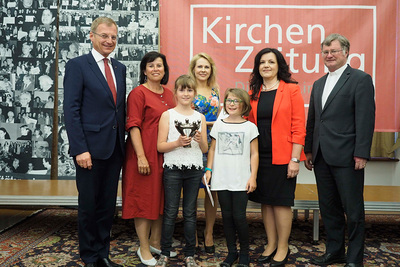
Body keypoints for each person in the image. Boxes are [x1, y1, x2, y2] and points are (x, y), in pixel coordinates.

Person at [305, 33, 375, 267]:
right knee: (329, 208)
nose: (329, 55)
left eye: (334, 51)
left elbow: (365, 119)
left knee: (353, 211)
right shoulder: (318, 84)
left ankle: (354, 259)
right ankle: (335, 252)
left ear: (346, 52)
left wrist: (362, 152)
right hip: (321, 155)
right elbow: (313, 120)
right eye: (325, 52)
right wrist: (308, 151)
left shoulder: (360, 79)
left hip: (348, 156)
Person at [63, 16, 126, 267]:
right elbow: (71, 109)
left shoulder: (119, 68)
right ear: (92, 36)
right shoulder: (78, 65)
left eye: (113, 37)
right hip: (88, 151)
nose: (109, 40)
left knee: (107, 206)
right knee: (89, 205)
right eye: (104, 36)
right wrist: (80, 149)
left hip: (114, 149)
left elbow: (116, 109)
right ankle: (89, 256)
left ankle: (103, 253)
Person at [247, 48, 306, 267]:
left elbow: (298, 126)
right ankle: (271, 244)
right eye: (262, 62)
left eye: (271, 62)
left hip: (283, 157)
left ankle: (283, 246)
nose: (266, 66)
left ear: (278, 65)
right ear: (257, 67)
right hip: (259, 157)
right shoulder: (255, 91)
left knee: (281, 203)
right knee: (265, 202)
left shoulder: (291, 89)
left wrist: (295, 158)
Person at [121, 51, 175, 266]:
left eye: (159, 65)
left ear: (165, 69)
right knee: (142, 200)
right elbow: (133, 125)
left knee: (161, 198)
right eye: (151, 66)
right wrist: (141, 156)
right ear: (144, 70)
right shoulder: (137, 94)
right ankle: (143, 248)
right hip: (142, 154)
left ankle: (155, 241)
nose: (155, 69)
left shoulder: (170, 94)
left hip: (165, 153)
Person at [155, 74, 208, 267]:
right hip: (173, 169)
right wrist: (177, 143)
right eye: (182, 89)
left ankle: (190, 254)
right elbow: (160, 146)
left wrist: (201, 139)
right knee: (170, 212)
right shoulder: (168, 115)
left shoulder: (200, 117)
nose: (186, 93)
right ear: (175, 92)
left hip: (194, 169)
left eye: (190, 90)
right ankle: (165, 252)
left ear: (194, 93)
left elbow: (205, 149)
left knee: (190, 212)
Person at [205, 88, 259, 267]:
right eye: (229, 100)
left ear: (244, 104)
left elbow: (254, 154)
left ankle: (244, 253)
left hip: (241, 179)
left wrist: (253, 177)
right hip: (222, 178)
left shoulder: (250, 127)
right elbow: (212, 149)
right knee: (226, 216)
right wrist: (209, 169)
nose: (232, 104)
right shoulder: (219, 124)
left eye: (236, 101)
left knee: (239, 216)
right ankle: (231, 253)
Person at [188, 52, 220, 252]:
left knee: (211, 192)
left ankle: (208, 233)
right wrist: (205, 124)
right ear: (193, 69)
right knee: (191, 192)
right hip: (192, 143)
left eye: (206, 67)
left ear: (211, 70)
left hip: (214, 146)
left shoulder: (215, 89)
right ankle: (192, 235)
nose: (203, 70)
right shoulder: (188, 89)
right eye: (199, 67)